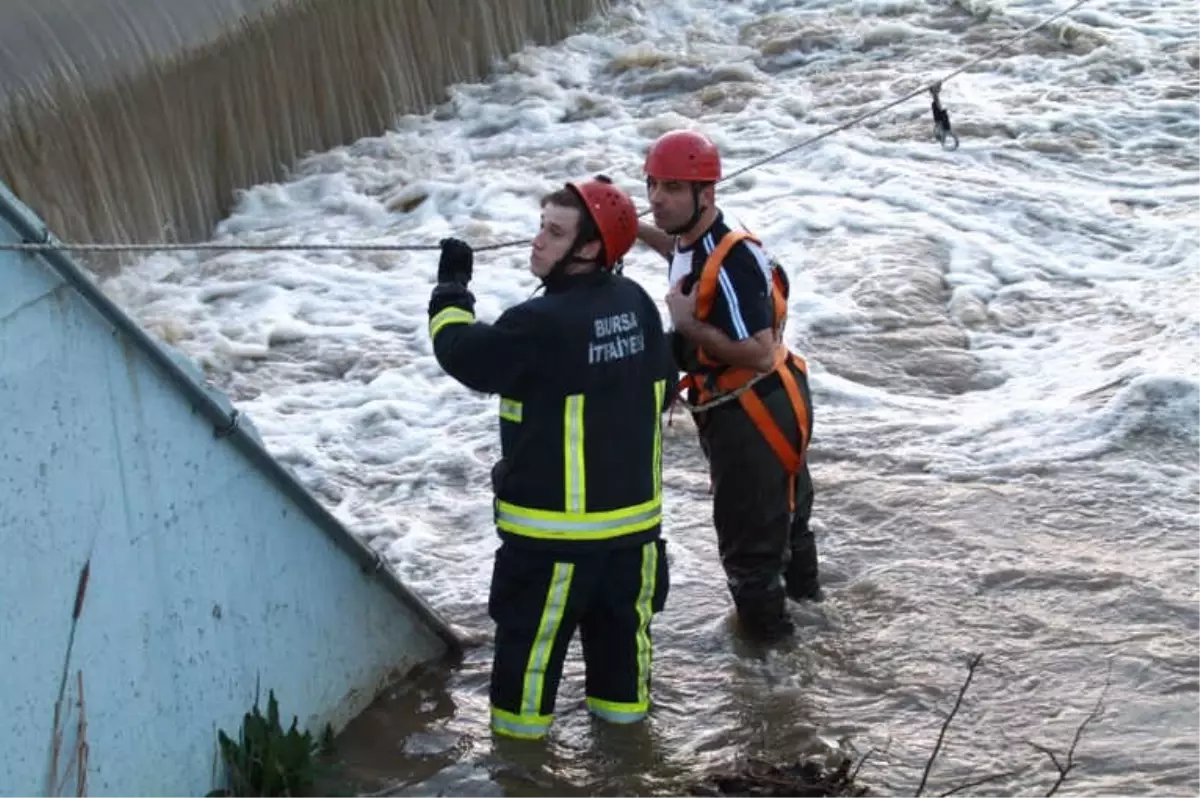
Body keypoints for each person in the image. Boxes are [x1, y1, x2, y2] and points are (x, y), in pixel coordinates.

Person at [426, 175, 673, 741]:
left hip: (554, 547)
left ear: (589, 249)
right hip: (634, 542)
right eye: (540, 227)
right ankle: (628, 773)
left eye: (554, 232)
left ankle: (520, 775)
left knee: (524, 693)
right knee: (623, 687)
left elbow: (460, 353)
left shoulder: (538, 323)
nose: (537, 242)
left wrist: (451, 290)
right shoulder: (635, 303)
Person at [636, 129, 821, 644]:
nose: (656, 198)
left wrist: (687, 327)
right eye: (652, 185)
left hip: (751, 412)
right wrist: (630, 228)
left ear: (706, 194)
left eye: (672, 188)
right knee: (789, 526)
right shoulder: (707, 235)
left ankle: (773, 681)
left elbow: (759, 352)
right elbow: (678, 250)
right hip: (778, 401)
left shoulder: (732, 261)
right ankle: (814, 623)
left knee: (749, 558)